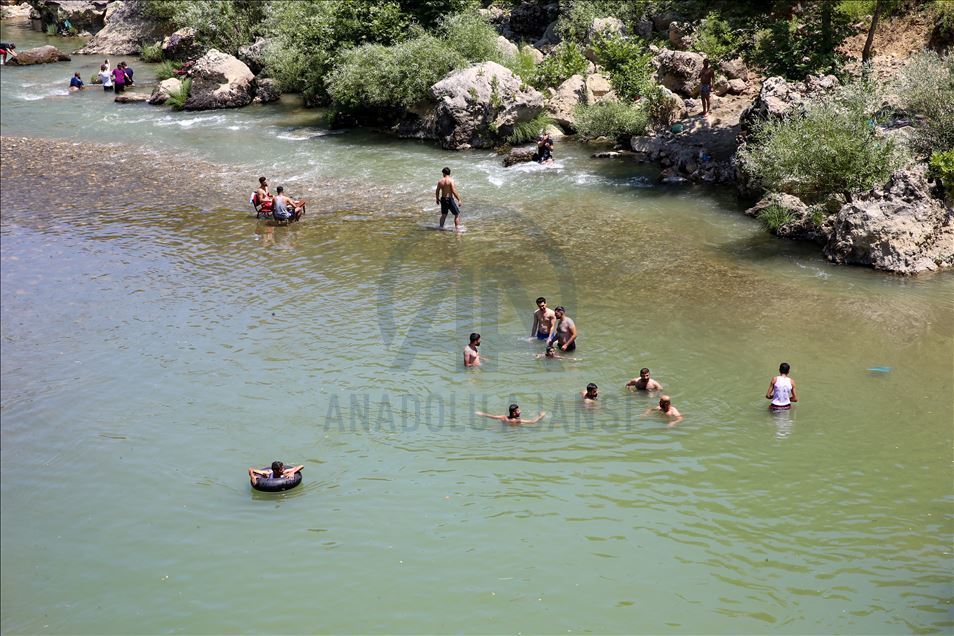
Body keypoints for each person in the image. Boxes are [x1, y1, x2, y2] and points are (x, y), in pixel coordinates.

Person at [435, 167, 462, 231]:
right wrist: (459, 199)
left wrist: (437, 198)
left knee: (444, 215)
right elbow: (453, 191)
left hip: (443, 199)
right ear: (449, 173)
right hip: (449, 199)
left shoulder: (440, 181)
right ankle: (457, 229)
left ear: (444, 173)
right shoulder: (451, 180)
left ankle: (441, 227)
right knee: (456, 214)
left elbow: (437, 190)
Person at [476, 404, 547, 426]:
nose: (520, 411)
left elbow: (493, 416)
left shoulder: (504, 417)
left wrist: (482, 413)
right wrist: (541, 416)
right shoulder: (517, 421)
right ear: (514, 413)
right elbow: (532, 422)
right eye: (518, 410)